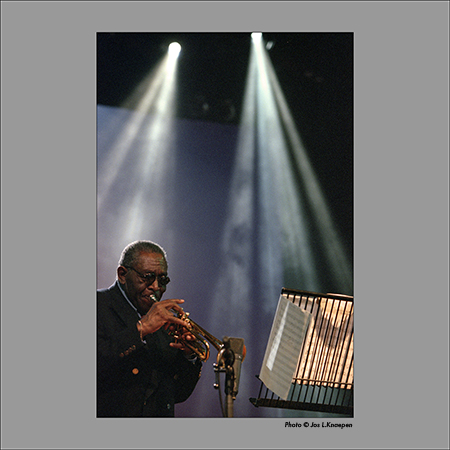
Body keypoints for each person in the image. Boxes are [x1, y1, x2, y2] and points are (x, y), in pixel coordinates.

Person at [97, 240, 202, 417]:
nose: (155, 287)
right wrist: (141, 328)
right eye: (147, 277)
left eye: (162, 280)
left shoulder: (164, 323)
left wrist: (188, 356)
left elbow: (178, 394)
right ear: (122, 274)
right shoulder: (98, 305)